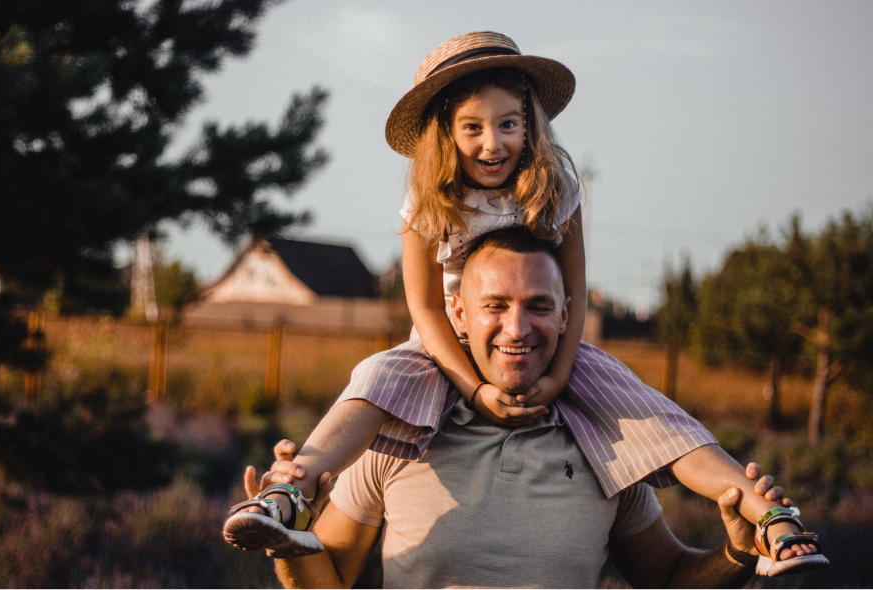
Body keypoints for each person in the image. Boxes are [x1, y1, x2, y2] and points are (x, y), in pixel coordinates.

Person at [223, 32, 826, 576]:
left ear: (531, 123)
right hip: (441, 349)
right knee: (373, 380)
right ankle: (290, 490)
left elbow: (577, 290)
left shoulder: (556, 187)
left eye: (509, 124)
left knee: (654, 414)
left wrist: (562, 373)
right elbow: (429, 311)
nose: (493, 143)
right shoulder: (429, 202)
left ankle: (768, 518)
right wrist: (473, 389)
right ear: (444, 133)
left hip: (555, 342)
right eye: (473, 128)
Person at [244, 230, 812, 590]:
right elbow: (331, 579)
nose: (517, 328)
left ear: (567, 315)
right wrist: (288, 546)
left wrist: (738, 552)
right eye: (495, 306)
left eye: (538, 306)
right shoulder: (397, 434)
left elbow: (665, 577)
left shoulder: (606, 438)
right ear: (458, 316)